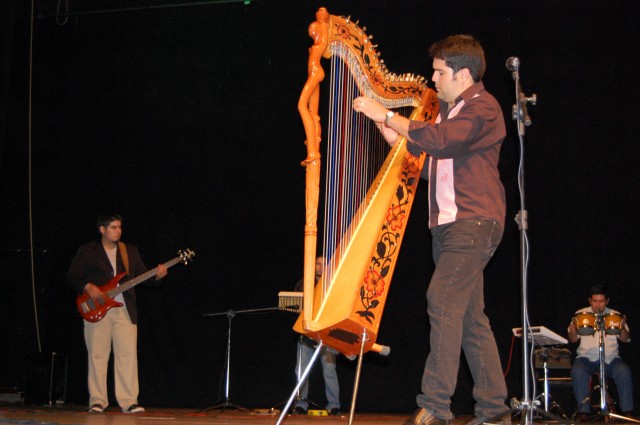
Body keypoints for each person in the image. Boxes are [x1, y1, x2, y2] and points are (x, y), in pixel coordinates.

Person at [353, 34, 509, 425]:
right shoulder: (449, 113)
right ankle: (494, 412)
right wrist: (389, 130)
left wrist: (390, 115)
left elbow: (440, 142)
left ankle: (435, 407)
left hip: (473, 223)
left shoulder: (483, 107)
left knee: (440, 300)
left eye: (439, 72)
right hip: (449, 227)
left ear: (463, 73)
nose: (433, 78)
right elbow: (428, 163)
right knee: (472, 321)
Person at [67, 213, 167, 414]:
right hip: (96, 309)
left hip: (125, 310)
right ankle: (97, 401)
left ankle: (129, 401)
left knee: (127, 356)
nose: (118, 231)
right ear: (102, 230)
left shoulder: (129, 251)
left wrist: (157, 276)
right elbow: (72, 275)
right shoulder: (88, 250)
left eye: (119, 227)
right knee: (97, 355)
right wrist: (88, 286)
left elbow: (142, 277)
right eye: (113, 227)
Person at [567, 284, 633, 420]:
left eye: (601, 301)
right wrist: (573, 332)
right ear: (589, 300)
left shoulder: (615, 315)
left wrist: (622, 328)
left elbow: (625, 339)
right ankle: (583, 412)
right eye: (595, 301)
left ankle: (627, 411)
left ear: (607, 301)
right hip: (586, 358)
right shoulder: (581, 314)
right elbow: (573, 340)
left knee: (624, 371)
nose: (598, 305)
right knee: (577, 371)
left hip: (611, 359)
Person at [292, 256, 341, 416]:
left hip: (327, 334)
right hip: (307, 335)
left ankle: (334, 405)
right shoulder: (303, 283)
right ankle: (301, 404)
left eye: (324, 264)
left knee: (329, 370)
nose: (321, 267)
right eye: (318, 264)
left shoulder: (333, 284)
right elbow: (295, 304)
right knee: (302, 370)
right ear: (314, 266)